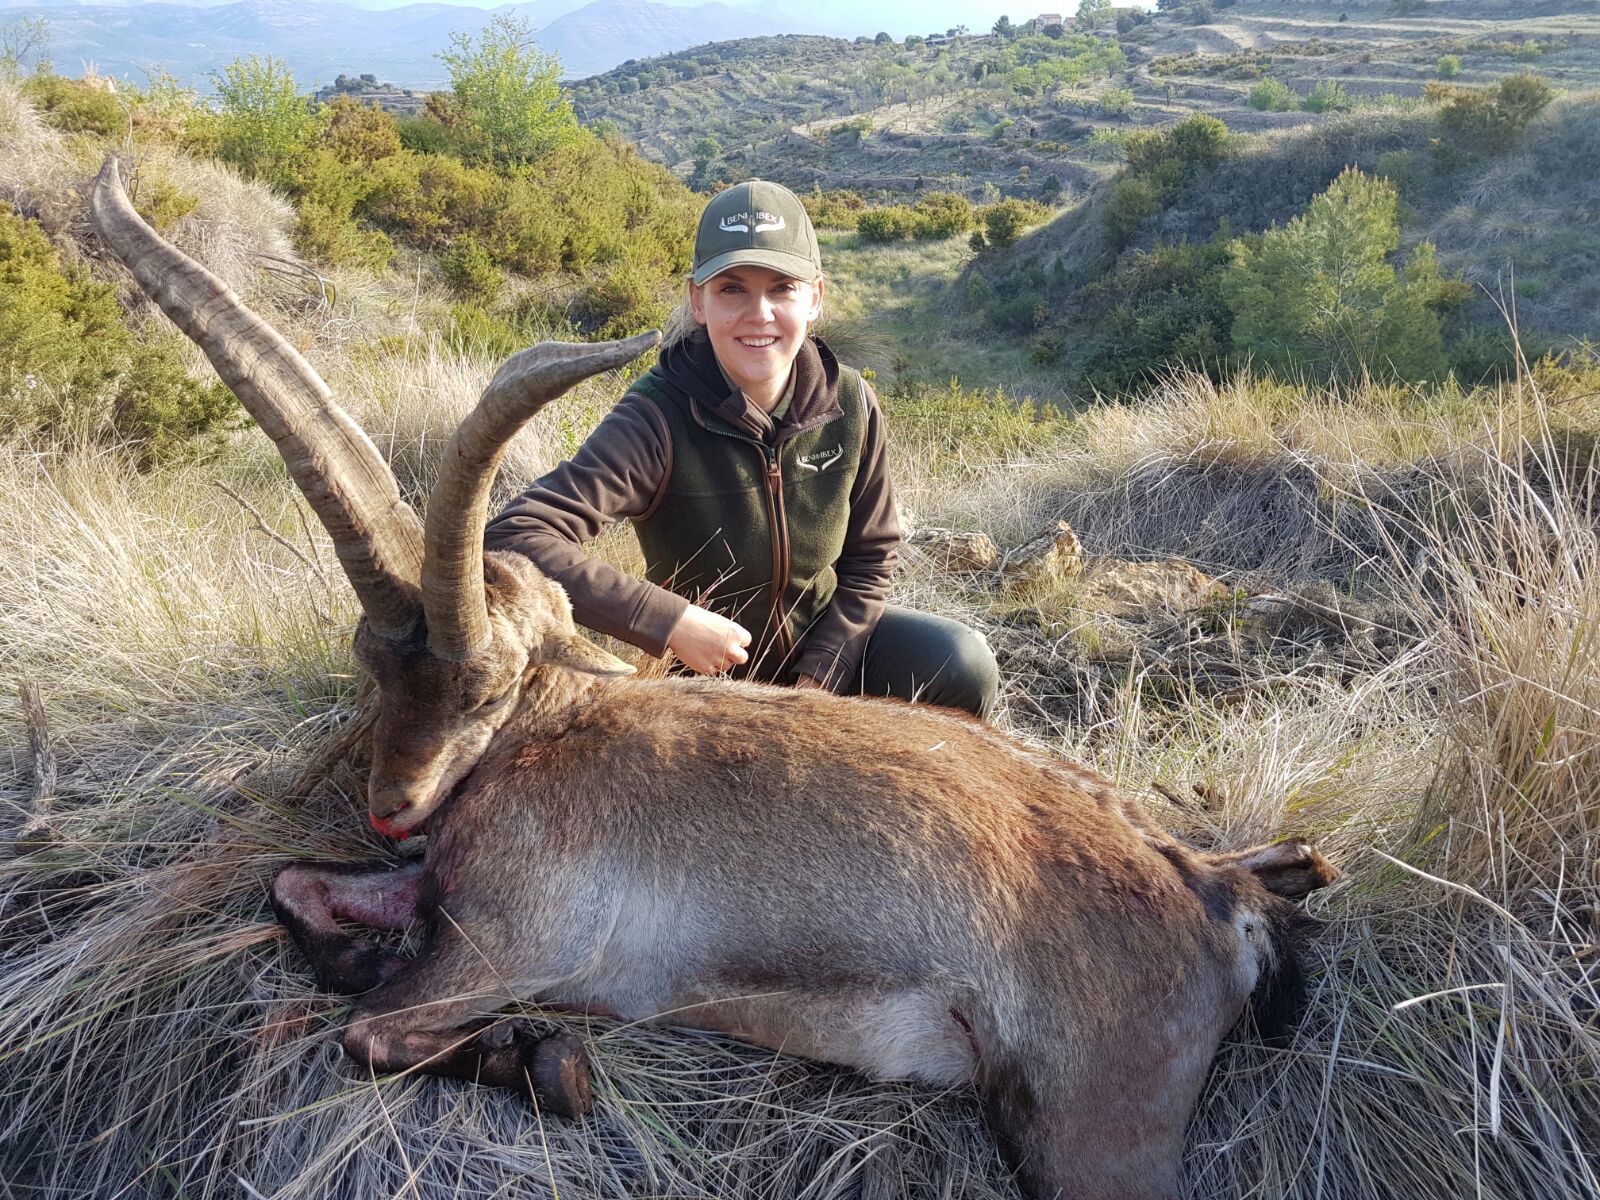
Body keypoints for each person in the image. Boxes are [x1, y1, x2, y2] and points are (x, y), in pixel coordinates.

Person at [485, 180, 1000, 718]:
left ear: (815, 297)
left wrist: (824, 671)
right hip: (708, 682)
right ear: (698, 301)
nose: (759, 313)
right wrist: (669, 621)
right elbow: (515, 535)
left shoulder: (850, 402)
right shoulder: (656, 417)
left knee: (961, 663)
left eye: (782, 288)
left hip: (829, 658)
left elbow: (872, 556)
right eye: (732, 289)